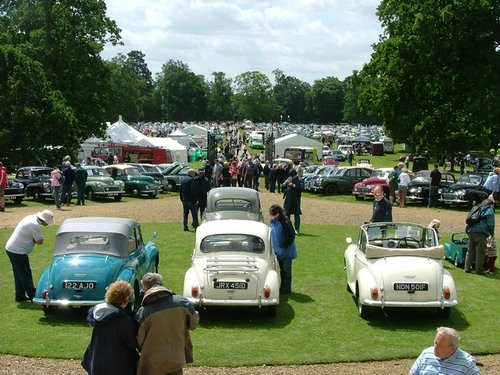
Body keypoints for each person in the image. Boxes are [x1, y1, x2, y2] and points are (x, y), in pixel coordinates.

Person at [135, 273, 199, 375]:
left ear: (146, 288)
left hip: (153, 363)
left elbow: (139, 341)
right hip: (176, 358)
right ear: (161, 284)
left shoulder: (143, 312)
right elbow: (193, 324)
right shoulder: (183, 303)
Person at [81, 281, 139, 375]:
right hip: (118, 364)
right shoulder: (125, 320)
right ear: (126, 298)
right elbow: (131, 343)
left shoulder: (99, 313)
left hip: (97, 360)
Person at [5, 210, 54, 302]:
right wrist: (33, 239)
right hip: (17, 251)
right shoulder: (34, 225)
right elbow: (40, 241)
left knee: (19, 273)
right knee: (25, 274)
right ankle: (33, 296)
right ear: (44, 220)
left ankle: (20, 295)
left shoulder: (30, 218)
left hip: (12, 249)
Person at [410, 327, 481, 375]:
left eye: (440, 346)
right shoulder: (426, 354)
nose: (435, 348)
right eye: (435, 343)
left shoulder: (467, 364)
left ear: (452, 348)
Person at [269, 204, 297, 295]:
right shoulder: (273, 222)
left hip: (286, 251)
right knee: (282, 270)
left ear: (277, 214)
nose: (271, 216)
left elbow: (291, 235)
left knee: (286, 271)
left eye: (272, 214)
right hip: (278, 251)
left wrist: (284, 245)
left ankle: (286, 289)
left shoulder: (285, 221)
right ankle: (282, 288)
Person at [465, 195, 495, 274]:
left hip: (471, 231)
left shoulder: (476, 208)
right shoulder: (489, 210)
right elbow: (491, 224)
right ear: (491, 204)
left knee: (470, 250)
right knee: (480, 252)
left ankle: (467, 268)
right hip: (481, 233)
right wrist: (491, 234)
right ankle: (479, 270)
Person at [282, 169, 303, 234]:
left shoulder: (300, 179)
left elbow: (301, 188)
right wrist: (284, 184)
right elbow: (283, 188)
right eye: (291, 176)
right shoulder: (289, 178)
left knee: (296, 214)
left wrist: (293, 185)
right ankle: (287, 229)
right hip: (288, 199)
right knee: (286, 214)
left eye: (293, 176)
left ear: (295, 174)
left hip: (295, 200)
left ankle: (297, 229)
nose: (292, 177)